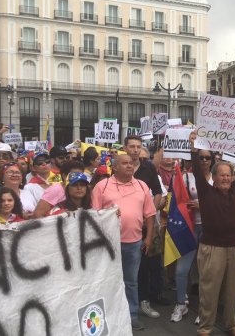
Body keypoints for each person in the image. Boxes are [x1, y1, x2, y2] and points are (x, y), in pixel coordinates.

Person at [191, 144, 235, 336]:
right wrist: (193, 149)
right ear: (214, 177)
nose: (226, 178)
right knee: (209, 292)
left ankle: (231, 325)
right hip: (212, 249)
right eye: (222, 175)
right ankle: (205, 328)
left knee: (232, 291)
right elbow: (196, 169)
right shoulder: (205, 191)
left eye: (228, 174)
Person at [91, 154, 157, 331]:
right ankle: (109, 317)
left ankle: (132, 316)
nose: (129, 166)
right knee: (108, 281)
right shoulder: (102, 186)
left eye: (131, 163)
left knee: (131, 281)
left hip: (134, 243)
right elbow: (94, 217)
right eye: (125, 163)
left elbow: (150, 215)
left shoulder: (142, 186)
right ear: (114, 167)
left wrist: (149, 237)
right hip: (108, 245)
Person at [124, 136, 166, 320]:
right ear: (125, 148)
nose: (135, 150)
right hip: (125, 227)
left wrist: (150, 212)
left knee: (147, 264)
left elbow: (157, 192)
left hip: (145, 225)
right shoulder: (118, 167)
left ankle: (144, 301)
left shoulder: (148, 168)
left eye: (138, 147)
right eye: (131, 146)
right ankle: (125, 304)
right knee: (128, 269)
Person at [171, 149, 213, 323]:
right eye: (200, 157)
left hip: (210, 229)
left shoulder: (217, 178)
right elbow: (179, 201)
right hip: (189, 228)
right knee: (181, 270)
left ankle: (204, 307)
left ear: (212, 159)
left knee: (206, 271)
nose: (203, 160)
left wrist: (203, 205)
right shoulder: (186, 178)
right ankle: (181, 303)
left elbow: (223, 203)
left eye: (207, 158)